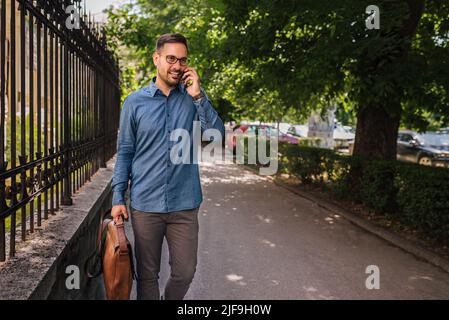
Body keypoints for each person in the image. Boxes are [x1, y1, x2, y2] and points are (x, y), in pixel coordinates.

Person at [111, 33, 225, 300]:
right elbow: (125, 152)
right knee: (147, 275)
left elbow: (216, 137)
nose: (177, 65)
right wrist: (118, 196)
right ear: (157, 58)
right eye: (171, 58)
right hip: (145, 204)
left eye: (182, 60)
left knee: (185, 272)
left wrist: (198, 96)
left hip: (184, 203)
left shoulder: (193, 98)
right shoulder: (134, 102)